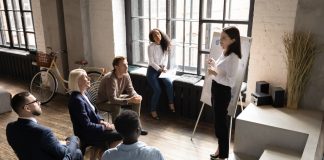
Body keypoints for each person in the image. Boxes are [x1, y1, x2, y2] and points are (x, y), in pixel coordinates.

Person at [6, 91, 82, 160]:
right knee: (76, 148)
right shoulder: (43, 132)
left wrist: (57, 142)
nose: (39, 103)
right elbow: (63, 154)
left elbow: (33, 144)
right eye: (35, 101)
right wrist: (73, 140)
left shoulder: (10, 128)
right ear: (27, 108)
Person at [68, 69, 123, 154]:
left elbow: (95, 112)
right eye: (85, 77)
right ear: (78, 82)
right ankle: (106, 155)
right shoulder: (76, 100)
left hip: (95, 128)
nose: (89, 78)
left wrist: (102, 121)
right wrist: (105, 127)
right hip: (87, 134)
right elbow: (86, 125)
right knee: (121, 135)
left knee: (120, 130)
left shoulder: (84, 93)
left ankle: (102, 153)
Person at [207, 26, 242, 160]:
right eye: (220, 37)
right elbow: (222, 70)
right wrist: (214, 63)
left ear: (233, 40)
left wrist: (213, 74)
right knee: (218, 123)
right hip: (216, 89)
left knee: (220, 124)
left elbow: (230, 82)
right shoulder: (226, 51)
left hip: (222, 92)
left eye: (224, 38)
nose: (220, 40)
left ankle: (223, 155)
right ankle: (220, 150)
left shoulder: (234, 57)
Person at [96, 56, 148, 135]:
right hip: (103, 102)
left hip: (115, 97)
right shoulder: (110, 78)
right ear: (116, 67)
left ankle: (137, 127)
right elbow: (112, 99)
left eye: (127, 64)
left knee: (136, 100)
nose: (127, 66)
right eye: (124, 65)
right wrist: (129, 100)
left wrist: (137, 96)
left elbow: (131, 90)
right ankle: (116, 131)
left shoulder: (126, 75)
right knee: (116, 106)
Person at [146, 28, 175, 120]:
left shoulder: (165, 45)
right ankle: (152, 110)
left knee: (169, 84)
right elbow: (151, 62)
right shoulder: (150, 47)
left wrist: (164, 67)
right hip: (152, 70)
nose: (157, 36)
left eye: (158, 34)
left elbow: (165, 59)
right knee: (157, 90)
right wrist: (159, 69)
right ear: (152, 38)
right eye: (155, 35)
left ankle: (171, 103)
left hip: (162, 69)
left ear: (161, 35)